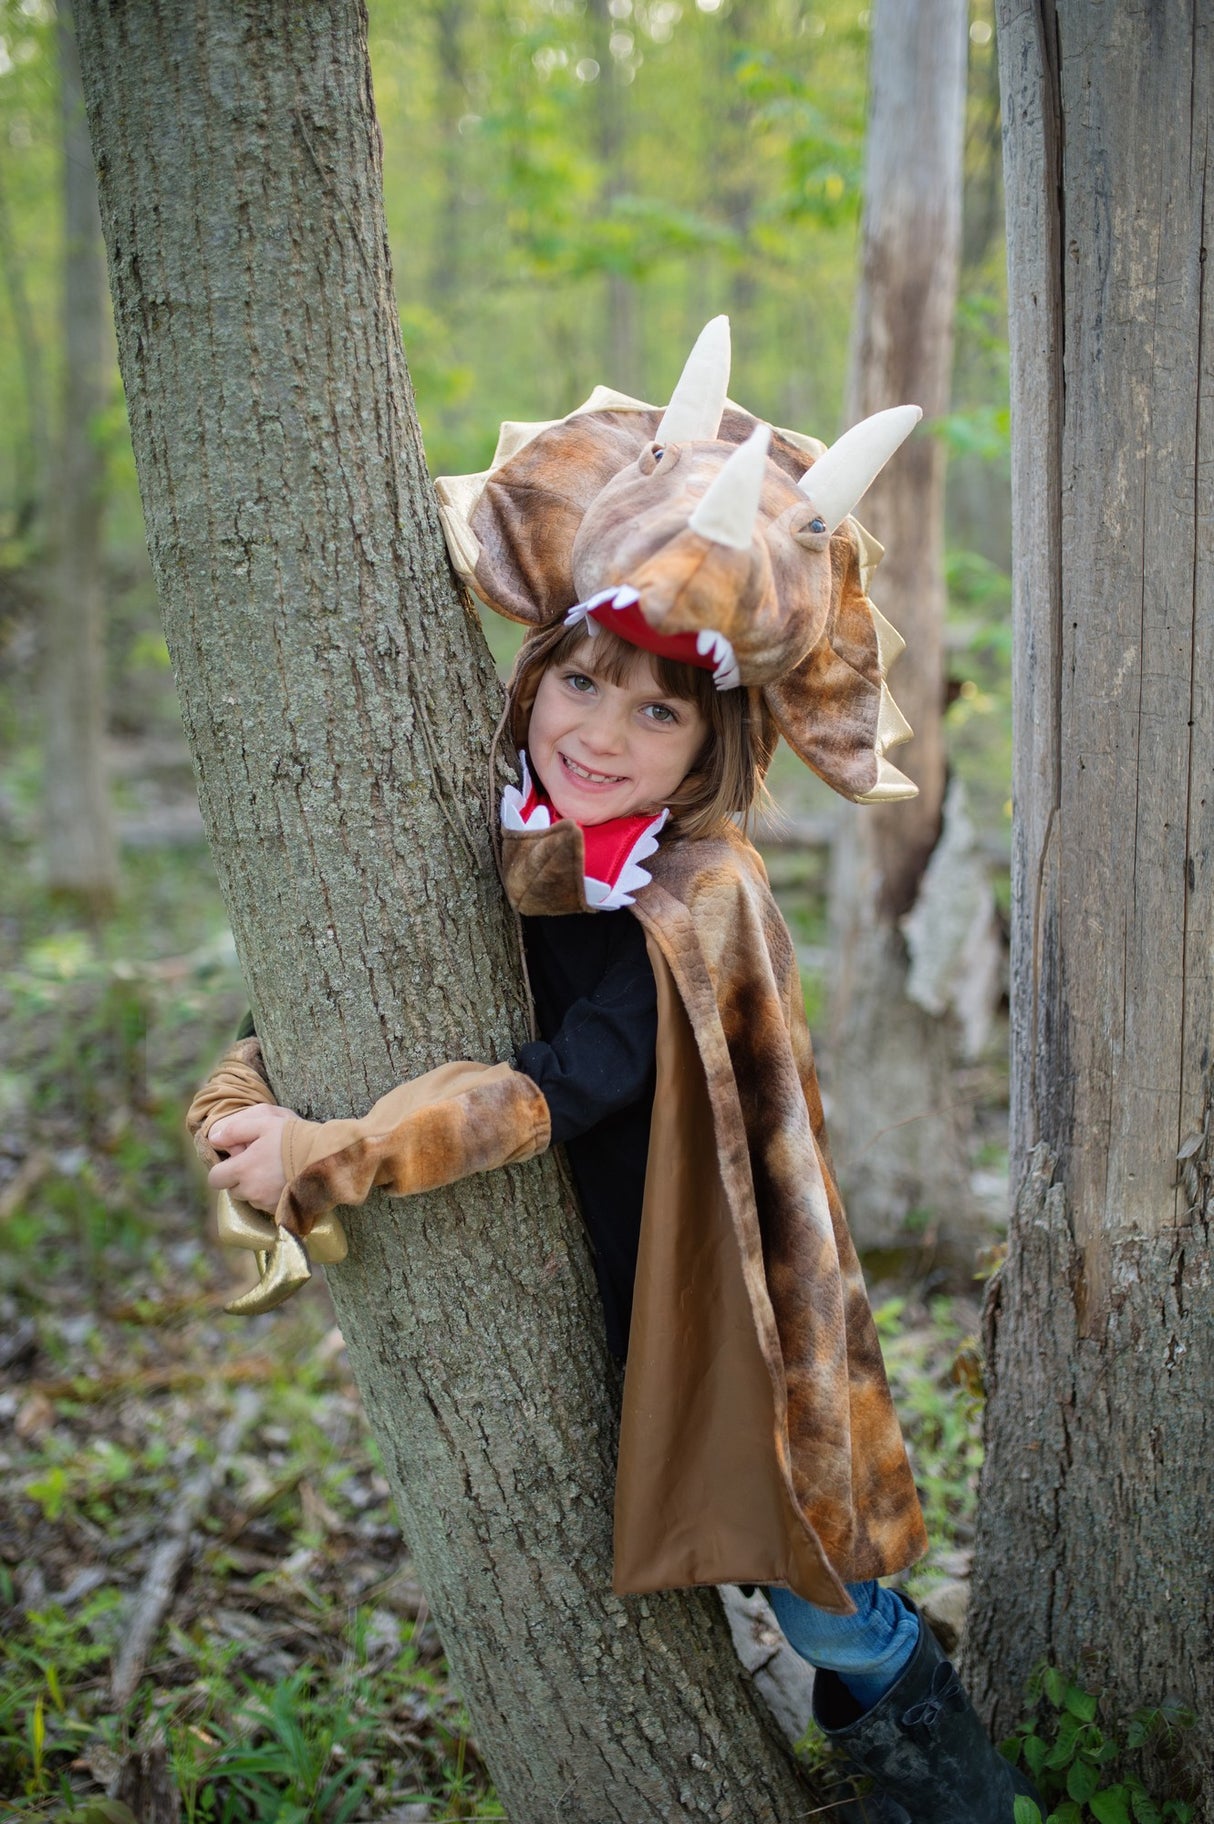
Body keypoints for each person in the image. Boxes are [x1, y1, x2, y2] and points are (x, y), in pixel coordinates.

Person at [188, 322, 1040, 1824]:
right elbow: (349, 997)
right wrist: (246, 1092)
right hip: (593, 1271)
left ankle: (957, 1801)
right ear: (535, 673)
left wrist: (352, 1149)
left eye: (660, 711)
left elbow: (568, 1079)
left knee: (815, 1586)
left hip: (716, 1295)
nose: (605, 731)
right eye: (584, 683)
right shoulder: (515, 838)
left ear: (710, 744)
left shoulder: (696, 891)